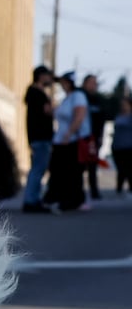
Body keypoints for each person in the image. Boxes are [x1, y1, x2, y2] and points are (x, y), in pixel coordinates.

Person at [44, 71, 91, 212]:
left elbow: (79, 116)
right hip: (61, 140)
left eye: (63, 83)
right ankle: (58, 197)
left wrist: (69, 133)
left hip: (72, 140)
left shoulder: (78, 96)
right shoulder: (66, 99)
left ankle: (73, 200)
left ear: (69, 83)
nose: (61, 86)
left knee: (72, 171)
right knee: (59, 170)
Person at [20, 65, 55, 213]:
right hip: (41, 137)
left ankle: (32, 199)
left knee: (37, 169)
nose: (49, 79)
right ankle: (31, 200)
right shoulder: (38, 94)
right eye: (47, 76)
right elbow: (48, 111)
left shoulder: (33, 93)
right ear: (41, 76)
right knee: (38, 169)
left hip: (37, 136)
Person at [82, 74, 108, 201]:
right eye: (91, 82)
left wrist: (101, 137)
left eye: (95, 83)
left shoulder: (98, 101)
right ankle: (77, 191)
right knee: (79, 165)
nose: (94, 85)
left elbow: (102, 121)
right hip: (81, 137)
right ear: (85, 84)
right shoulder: (81, 97)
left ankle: (94, 191)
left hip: (94, 138)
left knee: (92, 165)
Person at [112, 97, 132, 195]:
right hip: (117, 146)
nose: (123, 106)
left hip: (128, 146)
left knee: (128, 168)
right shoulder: (119, 116)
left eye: (125, 104)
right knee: (120, 168)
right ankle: (119, 187)